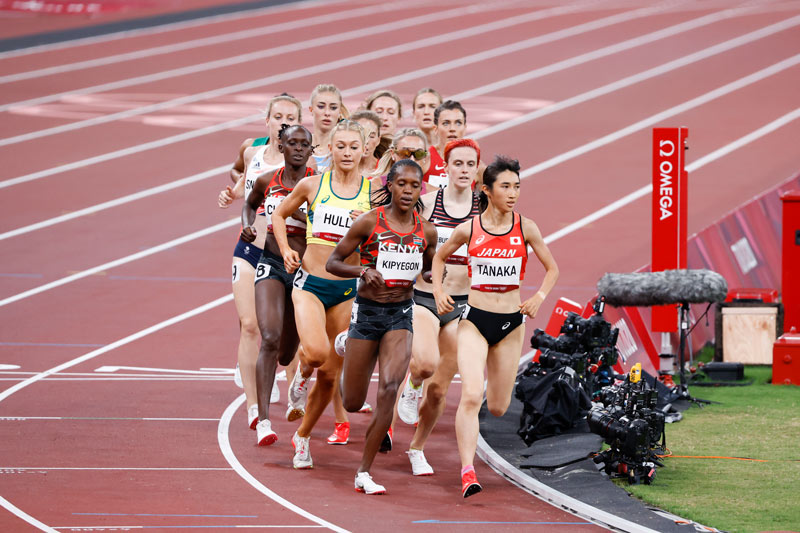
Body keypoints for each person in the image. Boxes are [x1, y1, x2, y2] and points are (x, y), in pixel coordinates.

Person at [431, 155, 558, 498]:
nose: (513, 193)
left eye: (517, 186)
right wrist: (440, 290)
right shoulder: (469, 229)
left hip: (511, 325)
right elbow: (440, 256)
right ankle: (467, 471)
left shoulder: (526, 227)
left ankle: (471, 458)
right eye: (506, 186)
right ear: (486, 190)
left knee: (499, 406)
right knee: (472, 394)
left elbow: (552, 269)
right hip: (474, 321)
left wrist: (539, 298)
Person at [326, 159, 437, 494]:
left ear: (420, 189)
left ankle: (364, 471)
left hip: (401, 314)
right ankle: (347, 342)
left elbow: (429, 269)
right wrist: (362, 271)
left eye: (414, 185)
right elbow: (333, 262)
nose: (407, 190)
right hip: (367, 313)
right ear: (389, 184)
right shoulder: (368, 222)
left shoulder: (426, 231)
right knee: (354, 402)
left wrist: (436, 276)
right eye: (401, 183)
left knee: (389, 388)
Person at [271, 120, 373, 469]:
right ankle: (299, 379)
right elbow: (281, 215)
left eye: (352, 146)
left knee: (330, 375)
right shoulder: (312, 184)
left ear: (364, 151)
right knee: (314, 354)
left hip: (346, 291)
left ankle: (302, 437)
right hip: (310, 284)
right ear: (330, 149)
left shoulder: (373, 195)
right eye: (340, 145)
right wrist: (285, 250)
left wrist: (369, 226)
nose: (346, 152)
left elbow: (388, 241)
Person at [397, 139, 481, 476]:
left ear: (477, 169)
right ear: (445, 166)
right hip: (425, 297)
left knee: (440, 391)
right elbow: (405, 238)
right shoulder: (428, 203)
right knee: (426, 363)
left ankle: (417, 448)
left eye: (469, 164)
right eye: (457, 163)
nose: (463, 170)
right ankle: (413, 382)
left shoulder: (485, 210)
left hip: (463, 305)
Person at [219, 94, 302, 430]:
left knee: (286, 337)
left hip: (286, 253)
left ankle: (296, 397)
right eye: (277, 116)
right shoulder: (252, 150)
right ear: (267, 120)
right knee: (250, 325)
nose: (282, 121)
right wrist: (232, 193)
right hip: (250, 248)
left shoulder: (306, 162)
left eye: (290, 117)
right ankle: (255, 409)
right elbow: (243, 180)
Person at [242, 124, 315, 445]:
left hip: (304, 270)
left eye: (304, 144)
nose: (298, 148)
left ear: (311, 151)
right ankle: (263, 420)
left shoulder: (319, 185)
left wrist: (292, 213)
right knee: (269, 338)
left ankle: (298, 376)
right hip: (271, 264)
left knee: (287, 354)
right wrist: (248, 226)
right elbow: (249, 204)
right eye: (292, 143)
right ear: (281, 146)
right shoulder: (266, 180)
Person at [428, 100, 486, 189]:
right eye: (446, 123)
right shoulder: (425, 160)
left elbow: (489, 200)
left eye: (458, 123)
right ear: (435, 129)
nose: (452, 129)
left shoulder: (477, 167)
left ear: (465, 128)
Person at [308, 84, 346, 169]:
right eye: (321, 106)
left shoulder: (345, 150)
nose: (327, 113)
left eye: (333, 108)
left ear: (340, 111)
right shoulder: (299, 147)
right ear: (311, 109)